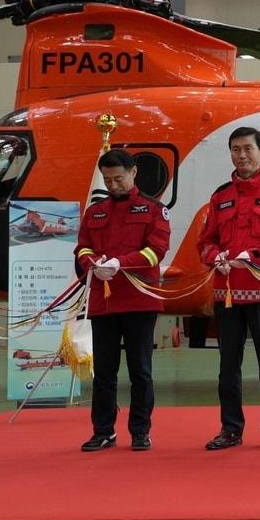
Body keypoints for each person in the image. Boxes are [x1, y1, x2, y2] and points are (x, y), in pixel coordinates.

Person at [196, 126, 260, 451]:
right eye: (236, 149)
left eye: (248, 149)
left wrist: (251, 257)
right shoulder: (220, 196)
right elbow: (206, 241)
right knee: (228, 364)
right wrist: (216, 257)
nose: (242, 155)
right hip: (227, 292)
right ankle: (230, 429)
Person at [74, 149, 171, 452]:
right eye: (107, 179)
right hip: (104, 303)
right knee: (104, 372)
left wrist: (120, 263)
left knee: (140, 370)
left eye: (118, 178)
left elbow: (157, 250)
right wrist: (92, 265)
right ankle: (103, 431)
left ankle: (140, 431)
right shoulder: (95, 212)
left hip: (139, 300)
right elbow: (82, 248)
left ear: (133, 173)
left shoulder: (154, 210)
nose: (113, 184)